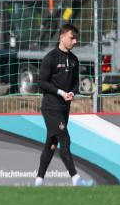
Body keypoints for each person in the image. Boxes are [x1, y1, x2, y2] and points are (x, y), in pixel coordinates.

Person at [35, 24, 88, 187]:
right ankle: (75, 178)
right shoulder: (50, 58)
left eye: (76, 38)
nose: (75, 41)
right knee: (64, 138)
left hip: (65, 108)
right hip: (51, 108)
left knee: (51, 144)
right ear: (62, 37)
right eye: (72, 38)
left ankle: (38, 181)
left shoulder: (74, 60)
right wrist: (60, 92)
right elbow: (41, 83)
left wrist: (72, 93)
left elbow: (75, 84)